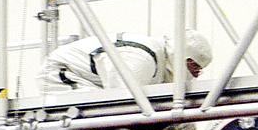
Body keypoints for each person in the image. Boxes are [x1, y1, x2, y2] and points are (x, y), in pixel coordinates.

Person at [39, 29, 213, 95]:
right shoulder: (142, 58)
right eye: (195, 65)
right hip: (61, 74)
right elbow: (120, 99)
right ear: (182, 57)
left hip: (90, 81)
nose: (197, 73)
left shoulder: (160, 63)